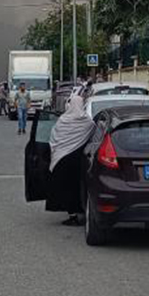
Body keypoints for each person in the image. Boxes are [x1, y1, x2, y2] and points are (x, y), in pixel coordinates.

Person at [48, 92, 95, 225]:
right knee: (77, 187)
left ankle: (72, 215)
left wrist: (56, 150)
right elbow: (93, 133)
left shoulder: (63, 120)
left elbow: (54, 137)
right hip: (78, 160)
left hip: (62, 159)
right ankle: (80, 210)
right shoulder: (87, 121)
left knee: (66, 187)